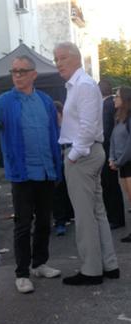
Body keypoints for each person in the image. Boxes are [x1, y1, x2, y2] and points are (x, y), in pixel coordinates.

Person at [0, 55, 62, 294]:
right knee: (23, 224)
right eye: (14, 71)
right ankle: (22, 273)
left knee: (45, 222)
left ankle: (40, 263)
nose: (17, 75)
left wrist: (57, 166)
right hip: (22, 174)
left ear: (34, 74)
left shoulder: (45, 101)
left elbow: (54, 133)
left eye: (23, 71)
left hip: (46, 171)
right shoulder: (3, 102)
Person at [54, 42, 119, 285]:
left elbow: (88, 127)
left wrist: (72, 156)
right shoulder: (78, 85)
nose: (58, 63)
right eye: (56, 59)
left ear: (76, 59)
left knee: (84, 216)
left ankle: (91, 270)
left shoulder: (82, 85)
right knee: (96, 212)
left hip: (82, 155)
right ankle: (109, 264)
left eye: (62, 58)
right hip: (87, 153)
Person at [99, 80, 126, 230]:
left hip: (108, 151)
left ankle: (115, 218)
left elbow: (107, 131)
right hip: (111, 151)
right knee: (111, 186)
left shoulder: (106, 106)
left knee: (110, 186)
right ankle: (116, 217)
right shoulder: (110, 105)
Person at [109, 87, 131, 242]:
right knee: (129, 198)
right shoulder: (118, 118)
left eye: (116, 96)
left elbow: (130, 144)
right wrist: (112, 158)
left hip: (128, 163)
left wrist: (118, 161)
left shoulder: (129, 118)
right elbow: (112, 139)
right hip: (122, 164)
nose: (114, 99)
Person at [51, 101, 74, 236]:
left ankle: (64, 218)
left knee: (63, 191)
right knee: (58, 192)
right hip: (57, 163)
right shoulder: (52, 128)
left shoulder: (66, 128)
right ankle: (61, 220)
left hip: (66, 161)